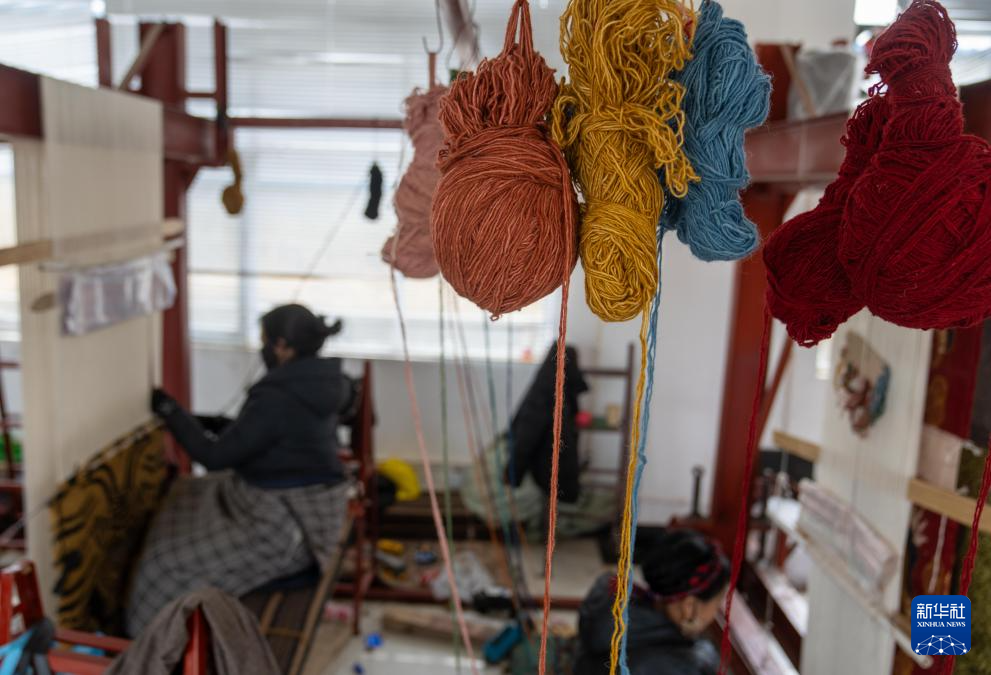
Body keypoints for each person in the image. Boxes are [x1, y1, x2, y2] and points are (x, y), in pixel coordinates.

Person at [126, 304, 352, 637]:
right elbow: (272, 432)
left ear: (282, 346)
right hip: (310, 515)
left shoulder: (278, 396)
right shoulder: (323, 383)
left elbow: (214, 456)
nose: (262, 349)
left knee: (163, 566)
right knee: (186, 495)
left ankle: (144, 644)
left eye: (264, 341)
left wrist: (169, 410)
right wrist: (203, 422)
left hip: (286, 532)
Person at [574, 529, 730, 675]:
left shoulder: (609, 600)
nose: (716, 612)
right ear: (688, 606)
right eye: (717, 604)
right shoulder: (683, 667)